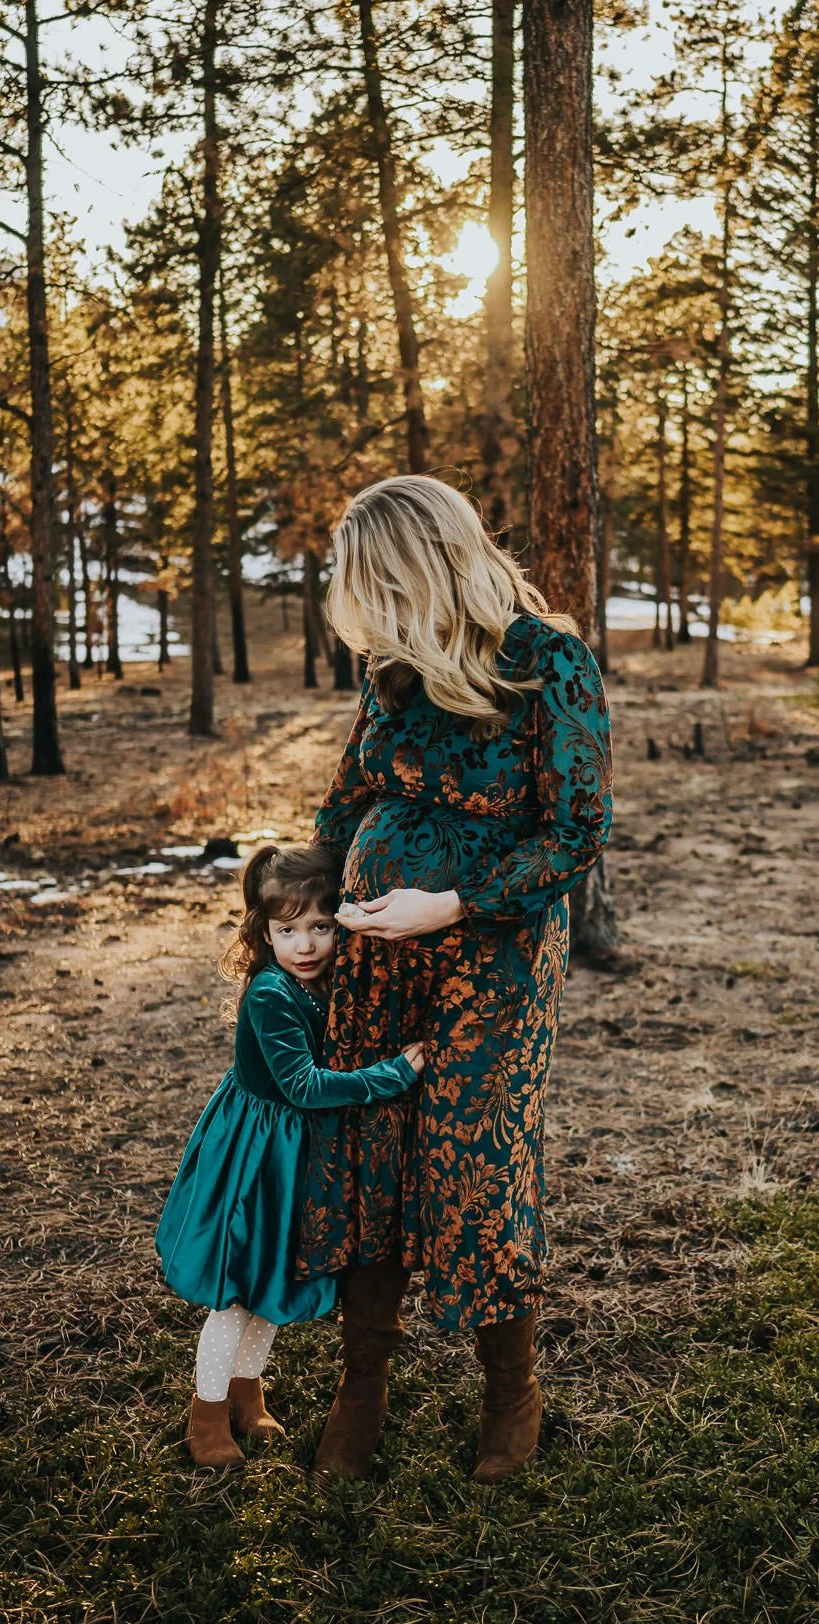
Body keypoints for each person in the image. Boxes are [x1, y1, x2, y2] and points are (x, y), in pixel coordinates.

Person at [297, 473, 612, 1485]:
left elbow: (576, 833)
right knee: (369, 1145)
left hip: (496, 951)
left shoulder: (545, 661)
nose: (368, 610)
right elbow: (347, 802)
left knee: (474, 1152)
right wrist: (303, 917)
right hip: (374, 955)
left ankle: (509, 1383)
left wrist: (456, 901)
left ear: (428, 564)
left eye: (378, 584)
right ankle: (363, 1380)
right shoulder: (390, 669)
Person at [154, 842, 425, 1470]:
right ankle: (207, 1413)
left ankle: (248, 1394)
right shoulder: (271, 994)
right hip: (254, 1154)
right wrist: (390, 1076)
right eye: (287, 930)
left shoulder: (330, 981)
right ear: (264, 932)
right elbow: (302, 1084)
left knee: (276, 1276)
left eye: (319, 928)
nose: (304, 945)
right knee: (238, 1292)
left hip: (295, 1151)